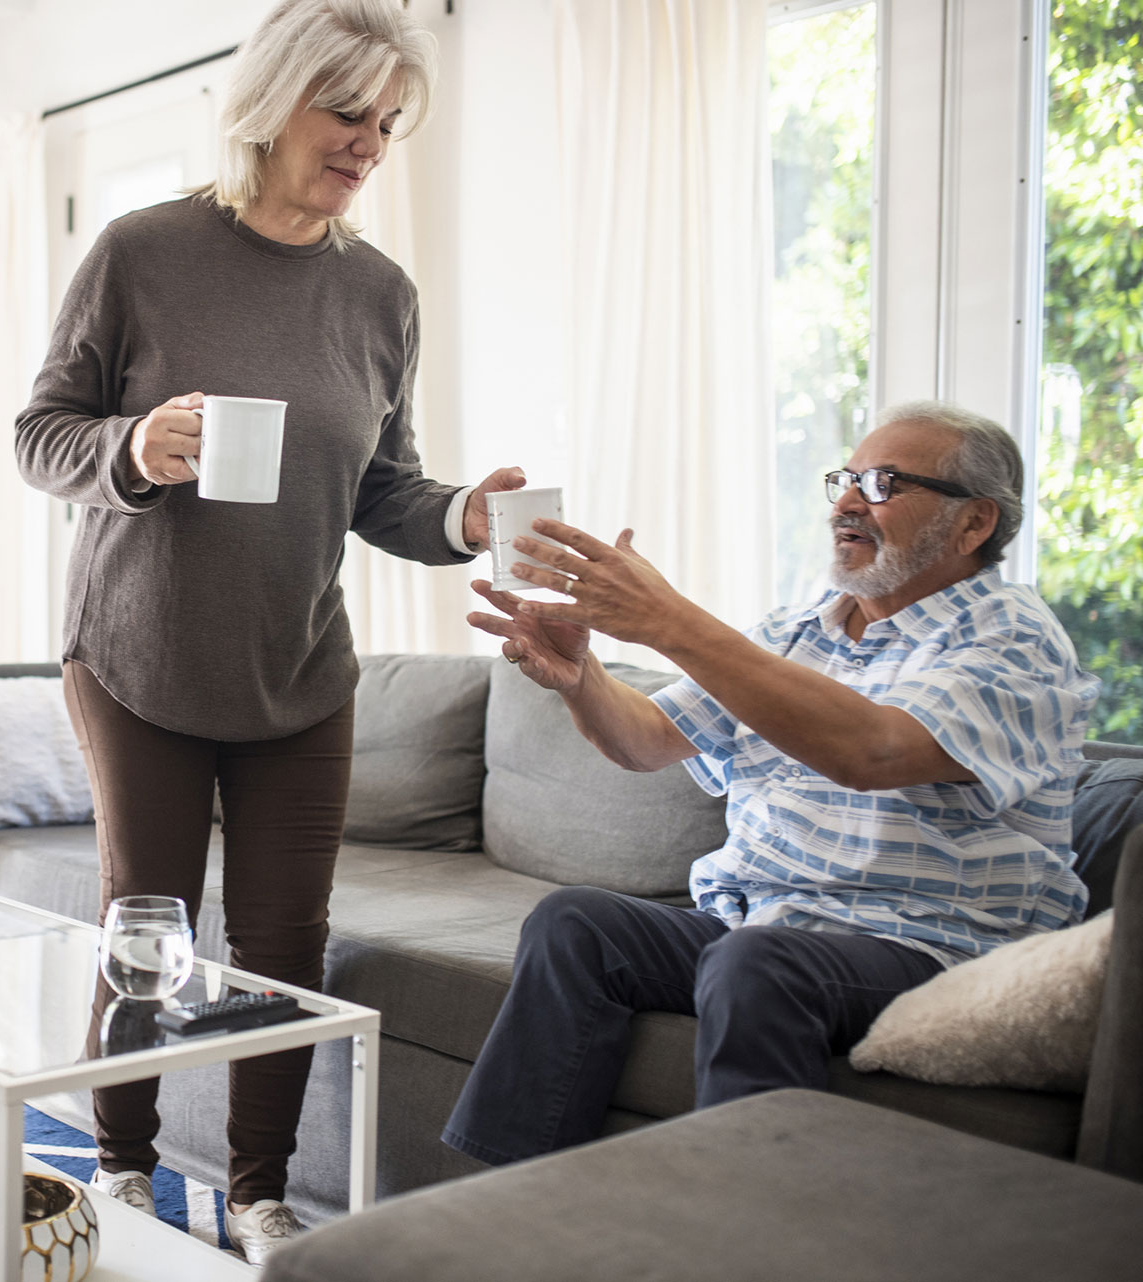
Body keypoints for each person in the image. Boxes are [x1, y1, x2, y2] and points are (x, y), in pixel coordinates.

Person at [14, 0, 525, 1260]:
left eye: (388, 124)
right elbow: (42, 435)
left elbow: (381, 492)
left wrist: (462, 514)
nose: (368, 144)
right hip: (136, 657)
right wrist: (133, 445)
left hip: (300, 671)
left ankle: (256, 1193)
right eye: (345, 112)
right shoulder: (142, 252)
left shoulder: (380, 296)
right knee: (152, 922)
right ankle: (120, 1169)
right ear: (271, 103)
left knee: (287, 949)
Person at [441, 400, 1099, 1166]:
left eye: (883, 483)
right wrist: (579, 676)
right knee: (577, 924)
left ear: (973, 524)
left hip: (927, 944)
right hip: (766, 924)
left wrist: (669, 622)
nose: (848, 502)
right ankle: (506, 1207)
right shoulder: (801, 628)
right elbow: (647, 741)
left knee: (758, 962)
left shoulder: (1011, 637)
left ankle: (750, 1237)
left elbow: (873, 751)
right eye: (846, 479)